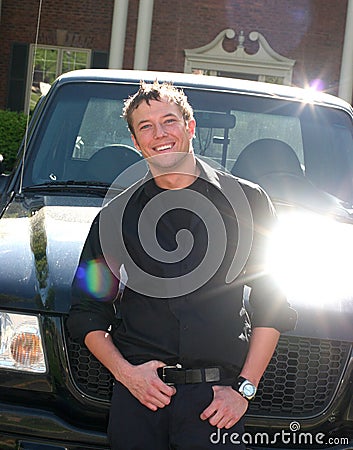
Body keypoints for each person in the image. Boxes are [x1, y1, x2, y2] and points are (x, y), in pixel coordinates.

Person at [67, 81, 297, 450]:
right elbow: (86, 312)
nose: (160, 134)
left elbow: (272, 304)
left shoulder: (249, 203)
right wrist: (127, 375)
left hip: (217, 403)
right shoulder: (115, 216)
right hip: (140, 398)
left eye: (169, 121)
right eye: (146, 127)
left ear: (190, 127)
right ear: (136, 140)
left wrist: (244, 390)